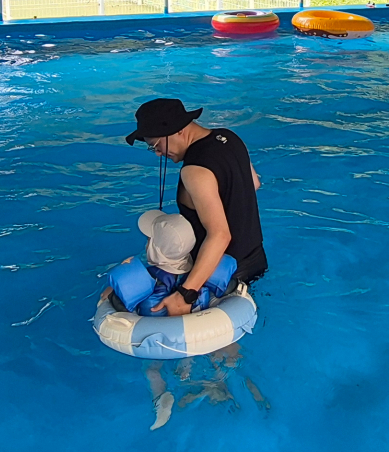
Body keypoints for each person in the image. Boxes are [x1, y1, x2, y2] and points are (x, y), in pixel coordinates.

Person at [125, 98, 266, 316]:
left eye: (156, 145)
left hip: (219, 272)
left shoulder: (194, 170)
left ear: (178, 131)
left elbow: (220, 235)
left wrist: (186, 293)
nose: (158, 153)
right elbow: (254, 184)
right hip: (255, 258)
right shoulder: (230, 137)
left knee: (211, 342)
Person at [103, 209, 236, 316]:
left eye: (150, 239)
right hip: (199, 320)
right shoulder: (201, 274)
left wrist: (116, 285)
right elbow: (231, 286)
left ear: (155, 249)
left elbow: (117, 304)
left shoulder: (149, 276)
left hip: (155, 332)